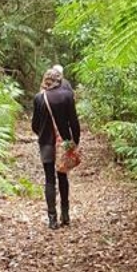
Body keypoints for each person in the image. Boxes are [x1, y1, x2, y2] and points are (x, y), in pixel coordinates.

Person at [31, 67, 81, 229]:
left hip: (46, 143)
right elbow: (74, 122)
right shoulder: (67, 96)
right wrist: (75, 141)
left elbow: (34, 125)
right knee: (63, 177)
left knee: (49, 179)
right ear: (59, 80)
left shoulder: (39, 98)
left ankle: (52, 219)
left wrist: (43, 134)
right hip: (63, 143)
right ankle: (65, 215)